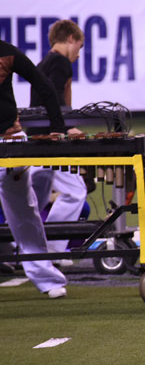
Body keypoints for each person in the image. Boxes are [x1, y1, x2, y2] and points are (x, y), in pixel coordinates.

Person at [0, 39, 69, 298]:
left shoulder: (6, 53)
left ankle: (47, 279)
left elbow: (43, 84)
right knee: (25, 212)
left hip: (8, 140)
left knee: (24, 212)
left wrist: (58, 128)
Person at [28, 19, 87, 260]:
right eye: (80, 47)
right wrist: (67, 127)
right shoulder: (60, 61)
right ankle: (50, 250)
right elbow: (53, 95)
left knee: (36, 198)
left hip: (37, 137)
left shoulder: (45, 61)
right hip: (50, 139)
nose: (79, 54)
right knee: (75, 191)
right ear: (71, 38)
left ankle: (25, 248)